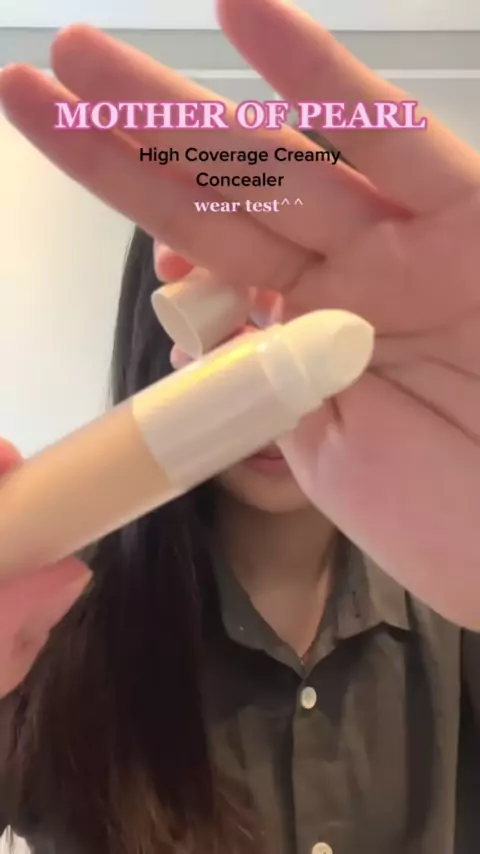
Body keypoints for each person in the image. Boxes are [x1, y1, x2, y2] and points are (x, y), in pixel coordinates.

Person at [1, 225, 480, 854]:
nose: (262, 366)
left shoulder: (456, 592)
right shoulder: (48, 618)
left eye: (297, 309)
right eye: (225, 318)